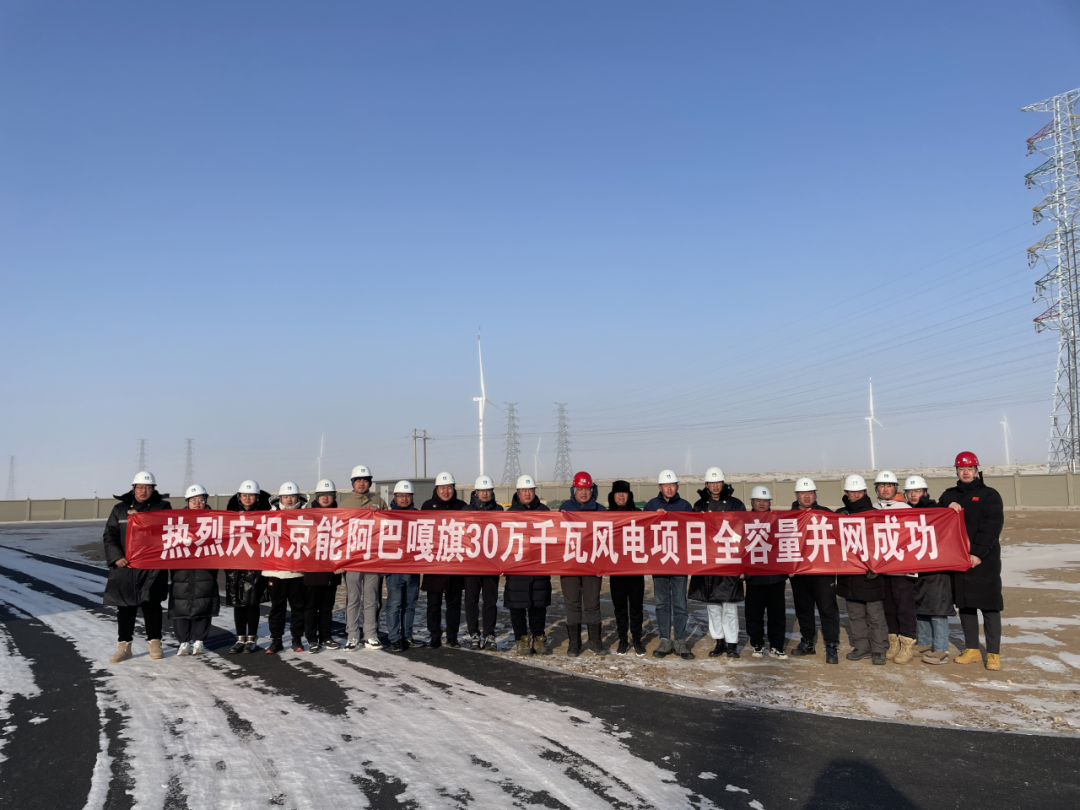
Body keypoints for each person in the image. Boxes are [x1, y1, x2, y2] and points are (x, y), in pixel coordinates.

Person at [939, 451, 1005, 671]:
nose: (965, 472)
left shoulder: (989, 495)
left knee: (989, 607)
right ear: (956, 471)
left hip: (984, 561)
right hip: (958, 561)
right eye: (961, 468)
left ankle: (993, 653)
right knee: (966, 605)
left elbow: (992, 526)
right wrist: (945, 509)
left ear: (977, 470)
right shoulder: (949, 496)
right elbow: (934, 520)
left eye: (969, 468)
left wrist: (977, 553)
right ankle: (972, 649)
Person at [103, 471, 172, 663]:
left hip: (151, 567)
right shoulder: (119, 509)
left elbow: (168, 529)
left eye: (148, 487)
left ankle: (155, 643)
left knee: (152, 605)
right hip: (126, 567)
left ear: (153, 489)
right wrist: (116, 557)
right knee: (125, 607)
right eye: (140, 487)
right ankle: (124, 647)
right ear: (133, 488)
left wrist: (143, 518)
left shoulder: (163, 507)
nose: (143, 491)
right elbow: (110, 535)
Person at [689, 467, 746, 659]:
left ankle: (732, 643)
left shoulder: (736, 504)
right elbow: (693, 534)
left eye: (718, 482)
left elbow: (743, 534)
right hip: (708, 562)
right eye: (711, 483)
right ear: (706, 484)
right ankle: (719, 641)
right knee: (712, 606)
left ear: (723, 483)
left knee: (729, 606)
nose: (715, 486)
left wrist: (742, 565)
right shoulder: (699, 506)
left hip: (729, 561)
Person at [836, 475, 888, 666]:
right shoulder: (839, 515)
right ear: (846, 492)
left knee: (875, 615)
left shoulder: (875, 514)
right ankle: (862, 647)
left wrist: (877, 566)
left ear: (865, 492)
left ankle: (879, 649)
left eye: (859, 491)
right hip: (849, 575)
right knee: (855, 614)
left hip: (871, 575)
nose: (856, 495)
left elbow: (883, 544)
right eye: (852, 492)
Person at [788, 477, 840, 664]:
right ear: (797, 495)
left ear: (815, 494)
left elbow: (838, 540)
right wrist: (787, 567)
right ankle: (808, 641)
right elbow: (782, 543)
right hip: (799, 573)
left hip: (823, 572)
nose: (807, 496)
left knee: (827, 608)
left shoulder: (826, 514)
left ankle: (831, 645)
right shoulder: (788, 518)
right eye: (803, 493)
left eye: (810, 493)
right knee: (804, 609)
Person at [646, 470, 695, 660]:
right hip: (659, 561)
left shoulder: (685, 506)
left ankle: (680, 641)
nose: (669, 488)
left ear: (677, 486)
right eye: (666, 485)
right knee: (662, 603)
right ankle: (665, 640)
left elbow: (694, 530)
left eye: (672, 485)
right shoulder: (651, 506)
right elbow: (643, 531)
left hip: (679, 562)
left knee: (680, 603)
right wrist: (654, 517)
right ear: (660, 487)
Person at [338, 465, 388, 651]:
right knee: (353, 598)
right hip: (352, 559)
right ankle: (352, 636)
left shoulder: (378, 501)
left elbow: (389, 525)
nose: (361, 483)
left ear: (370, 482)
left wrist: (379, 513)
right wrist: (340, 561)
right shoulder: (344, 504)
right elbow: (338, 534)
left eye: (365, 480)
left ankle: (370, 635)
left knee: (371, 598)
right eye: (358, 480)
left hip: (372, 558)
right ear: (352, 483)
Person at [904, 475, 952, 665]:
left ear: (925, 492)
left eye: (917, 491)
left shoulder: (936, 510)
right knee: (921, 605)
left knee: (937, 608)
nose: (913, 495)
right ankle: (924, 643)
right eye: (910, 492)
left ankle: (941, 648)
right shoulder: (905, 513)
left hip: (936, 566)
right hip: (916, 566)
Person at [560, 471, 608, 657]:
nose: (583, 492)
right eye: (580, 489)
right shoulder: (564, 509)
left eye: (587, 489)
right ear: (574, 490)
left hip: (592, 565)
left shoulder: (601, 511)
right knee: (572, 604)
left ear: (592, 489)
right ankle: (574, 642)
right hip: (570, 565)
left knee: (592, 604)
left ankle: (595, 641)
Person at [504, 475, 553, 656]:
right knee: (517, 606)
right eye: (524, 490)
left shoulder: (544, 512)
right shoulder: (510, 514)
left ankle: (539, 637)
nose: (527, 493)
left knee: (538, 605)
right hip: (517, 568)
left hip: (539, 567)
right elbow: (502, 541)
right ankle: (521, 639)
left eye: (530, 490)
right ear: (518, 492)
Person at [872, 471, 917, 666]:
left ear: (895, 488)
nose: (885, 489)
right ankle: (894, 642)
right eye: (882, 486)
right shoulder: (873, 509)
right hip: (882, 568)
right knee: (888, 608)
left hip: (902, 567)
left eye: (889, 485)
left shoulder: (906, 509)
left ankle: (907, 644)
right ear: (877, 489)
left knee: (904, 607)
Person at [170, 484, 219, 657]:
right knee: (181, 605)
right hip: (182, 570)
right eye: (193, 500)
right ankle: (183, 642)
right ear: (187, 502)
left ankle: (199, 641)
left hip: (205, 569)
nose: (197, 503)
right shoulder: (176, 521)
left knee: (203, 604)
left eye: (200, 500)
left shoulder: (216, 521)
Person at [421, 472, 468, 648]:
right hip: (434, 565)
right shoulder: (427, 506)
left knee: (454, 604)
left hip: (455, 564)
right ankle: (434, 635)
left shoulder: (462, 507)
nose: (446, 491)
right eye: (442, 488)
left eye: (449, 487)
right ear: (437, 489)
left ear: (453, 488)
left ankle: (452, 636)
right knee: (433, 604)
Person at [225, 480, 271, 654]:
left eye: (251, 495)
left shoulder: (266, 515)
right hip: (235, 563)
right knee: (238, 602)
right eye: (244, 495)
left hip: (255, 563)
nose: (247, 498)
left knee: (252, 602)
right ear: (239, 496)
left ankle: (251, 638)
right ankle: (239, 638)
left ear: (257, 497)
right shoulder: (229, 515)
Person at [743, 486, 788, 660]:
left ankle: (777, 646)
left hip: (776, 577)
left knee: (777, 615)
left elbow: (787, 543)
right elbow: (739, 548)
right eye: (758, 501)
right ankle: (757, 644)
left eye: (765, 501)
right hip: (754, 578)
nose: (762, 504)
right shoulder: (744, 521)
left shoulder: (778, 520)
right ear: (752, 502)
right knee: (754, 614)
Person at [264, 482, 308, 654]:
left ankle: (296, 638)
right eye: (285, 497)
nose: (289, 500)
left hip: (297, 571)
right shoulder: (269, 516)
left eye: (292, 496)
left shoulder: (306, 516)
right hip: (275, 570)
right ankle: (276, 639)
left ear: (298, 497)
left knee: (298, 606)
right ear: (280, 498)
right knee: (277, 607)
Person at [302, 479, 342, 653]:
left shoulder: (342, 516)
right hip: (313, 570)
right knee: (311, 607)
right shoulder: (308, 515)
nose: (325, 498)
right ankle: (311, 638)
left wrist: (342, 562)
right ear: (317, 497)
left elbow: (346, 541)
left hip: (332, 571)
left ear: (334, 497)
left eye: (329, 495)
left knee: (326, 607)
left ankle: (325, 636)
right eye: (322, 495)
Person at [607, 480, 645, 656]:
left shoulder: (638, 514)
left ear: (629, 495)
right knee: (620, 607)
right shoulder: (606, 516)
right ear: (613, 496)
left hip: (635, 569)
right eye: (618, 493)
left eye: (624, 493)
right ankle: (623, 639)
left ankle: (637, 639)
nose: (621, 496)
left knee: (636, 607)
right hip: (616, 570)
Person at [465, 475, 503, 650]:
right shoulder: (465, 511)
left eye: (488, 490)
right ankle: (474, 633)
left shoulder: (499, 510)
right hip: (471, 564)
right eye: (482, 490)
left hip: (491, 564)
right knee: (471, 600)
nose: (485, 493)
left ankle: (489, 634)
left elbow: (503, 537)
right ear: (476, 491)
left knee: (490, 601)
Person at [385, 480, 423, 652]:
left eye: (408, 495)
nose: (404, 499)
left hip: (413, 569)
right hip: (394, 570)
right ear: (395, 497)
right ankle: (394, 638)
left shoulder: (419, 516)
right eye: (401, 496)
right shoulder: (386, 516)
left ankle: (407, 636)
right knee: (394, 605)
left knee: (410, 605)